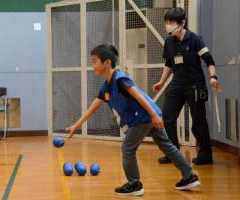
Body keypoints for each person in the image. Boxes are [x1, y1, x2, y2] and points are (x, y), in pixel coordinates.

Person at [66, 44, 201, 196]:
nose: (92, 65)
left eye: (94, 61)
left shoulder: (120, 80)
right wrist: (75, 126)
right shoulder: (106, 88)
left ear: (107, 63)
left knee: (127, 149)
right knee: (166, 146)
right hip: (148, 116)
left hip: (144, 117)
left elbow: (139, 96)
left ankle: (134, 184)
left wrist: (154, 116)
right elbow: (93, 108)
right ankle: (189, 176)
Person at [153, 7, 221, 165]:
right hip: (177, 85)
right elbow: (169, 64)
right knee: (167, 119)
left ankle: (205, 155)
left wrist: (213, 77)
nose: (168, 25)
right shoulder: (169, 41)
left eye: (171, 22)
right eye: (167, 22)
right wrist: (162, 82)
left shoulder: (195, 39)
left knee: (198, 121)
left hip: (195, 85)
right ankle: (172, 153)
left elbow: (209, 60)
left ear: (182, 23)